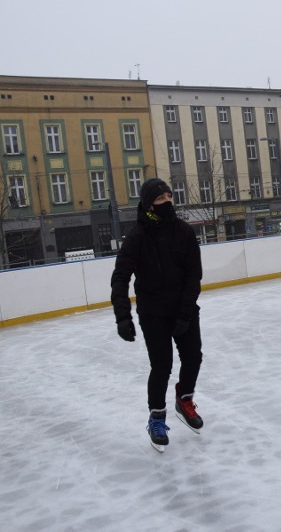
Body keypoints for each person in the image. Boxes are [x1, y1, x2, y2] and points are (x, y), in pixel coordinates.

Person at [110, 178, 204, 452]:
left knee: (193, 357)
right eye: (161, 199)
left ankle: (184, 400)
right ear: (149, 204)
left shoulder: (184, 232)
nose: (167, 202)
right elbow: (120, 277)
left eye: (169, 197)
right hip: (153, 314)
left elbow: (193, 276)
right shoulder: (137, 238)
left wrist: (185, 313)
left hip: (183, 309)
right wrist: (122, 316)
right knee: (161, 366)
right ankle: (157, 418)